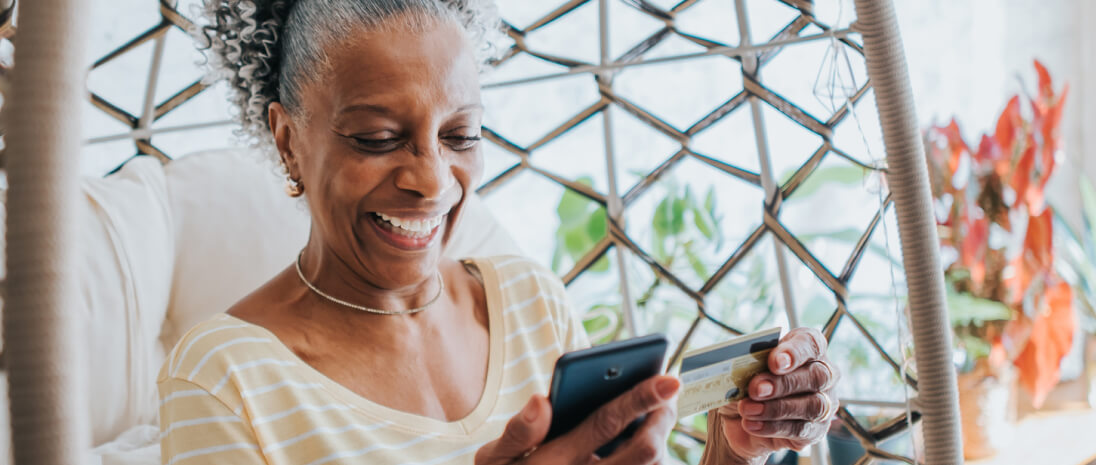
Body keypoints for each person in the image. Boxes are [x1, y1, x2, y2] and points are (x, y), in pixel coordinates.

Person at [159, 1, 840, 463]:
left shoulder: (527, 301)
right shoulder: (225, 379)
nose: (432, 179)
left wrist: (740, 444)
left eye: (461, 135)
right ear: (288, 141)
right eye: (377, 138)